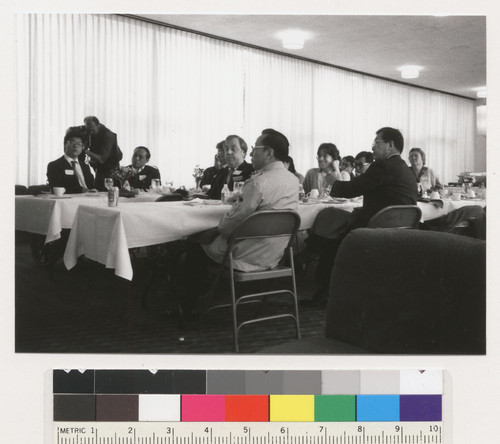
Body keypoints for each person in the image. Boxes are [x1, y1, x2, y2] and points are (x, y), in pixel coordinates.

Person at [174, 129, 299, 316]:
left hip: (244, 255)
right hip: (273, 255)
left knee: (192, 247)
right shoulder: (293, 180)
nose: (251, 153)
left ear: (269, 152)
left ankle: (187, 310)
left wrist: (215, 229)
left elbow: (227, 227)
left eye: (255, 148)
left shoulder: (257, 183)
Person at [309, 127, 418, 306]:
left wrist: (334, 183)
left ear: (390, 145)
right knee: (335, 224)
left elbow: (353, 189)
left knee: (331, 237)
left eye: (376, 143)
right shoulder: (405, 169)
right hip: (402, 231)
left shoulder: (383, 165)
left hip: (377, 230)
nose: (373, 147)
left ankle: (328, 294)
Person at [46, 127, 95, 193]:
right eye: (72, 142)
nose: (76, 146)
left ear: (83, 147)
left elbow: (92, 186)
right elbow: (57, 186)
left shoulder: (85, 167)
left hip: (89, 199)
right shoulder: (55, 165)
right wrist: (82, 190)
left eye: (79, 144)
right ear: (65, 145)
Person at [81, 116, 123, 191]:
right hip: (99, 170)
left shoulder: (108, 136)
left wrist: (85, 151)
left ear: (98, 125)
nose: (90, 133)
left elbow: (101, 159)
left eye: (92, 130)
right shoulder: (90, 131)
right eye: (88, 130)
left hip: (110, 173)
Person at [207, 135, 254, 199]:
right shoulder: (221, 172)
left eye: (233, 149)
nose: (228, 152)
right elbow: (211, 195)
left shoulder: (251, 171)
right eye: (226, 149)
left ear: (243, 152)